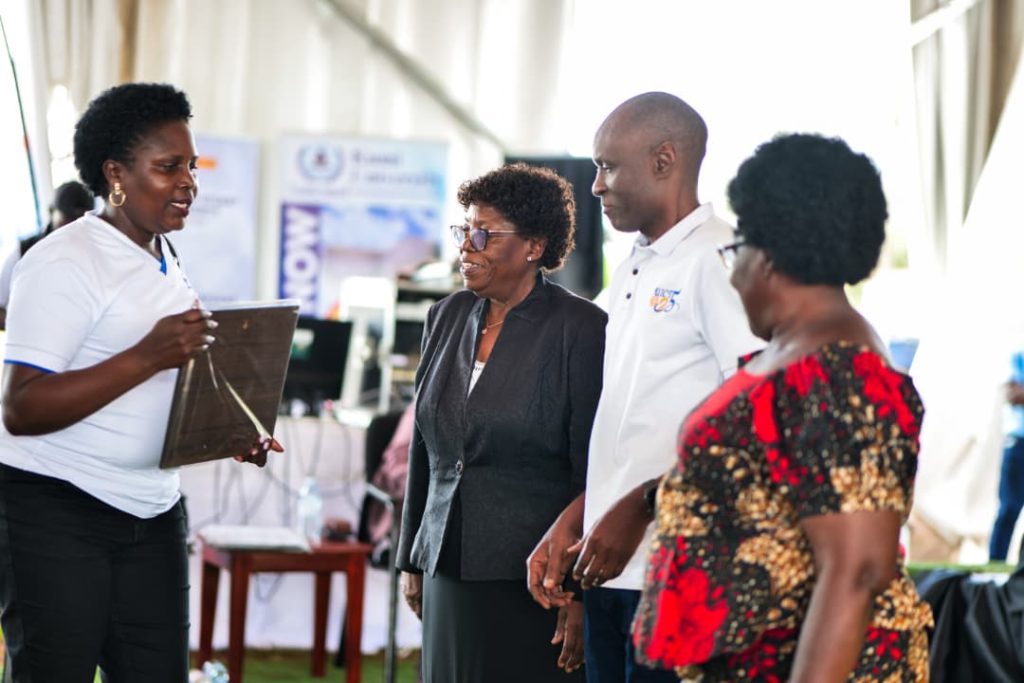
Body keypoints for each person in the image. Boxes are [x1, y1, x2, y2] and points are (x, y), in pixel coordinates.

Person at [0, 83, 281, 682]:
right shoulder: (64, 260)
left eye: (192, 166)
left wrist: (228, 429)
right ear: (115, 174)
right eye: (169, 166)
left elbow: (160, 385)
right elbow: (21, 408)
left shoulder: (163, 255)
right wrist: (148, 355)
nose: (189, 183)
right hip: (55, 511)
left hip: (152, 510)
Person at [631, 133, 934, 681]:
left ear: (766, 257)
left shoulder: (839, 374)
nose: (733, 272)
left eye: (735, 252)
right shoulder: (801, 354)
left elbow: (857, 570)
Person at [527, 92, 762, 682]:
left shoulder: (720, 260)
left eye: (608, 166)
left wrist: (641, 505)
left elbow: (757, 416)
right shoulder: (635, 266)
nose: (596, 186)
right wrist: (579, 516)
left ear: (664, 160)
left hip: (683, 569)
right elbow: (631, 424)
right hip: (613, 570)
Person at [396, 162, 606, 682]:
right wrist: (412, 558)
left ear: (534, 246)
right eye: (464, 231)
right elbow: (425, 448)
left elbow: (594, 469)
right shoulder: (445, 316)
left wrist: (580, 593)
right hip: (444, 561)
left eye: (484, 234)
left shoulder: (580, 328)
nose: (467, 246)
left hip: (535, 578)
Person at [0, 180, 95, 329]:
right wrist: (32, 328)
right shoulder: (23, 252)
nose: (74, 226)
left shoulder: (98, 251)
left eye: (82, 220)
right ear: (51, 212)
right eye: (68, 219)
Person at [988, 352, 1024, 561]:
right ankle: (995, 562)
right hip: (1019, 441)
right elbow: (1012, 394)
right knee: (1009, 507)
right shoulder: (1019, 353)